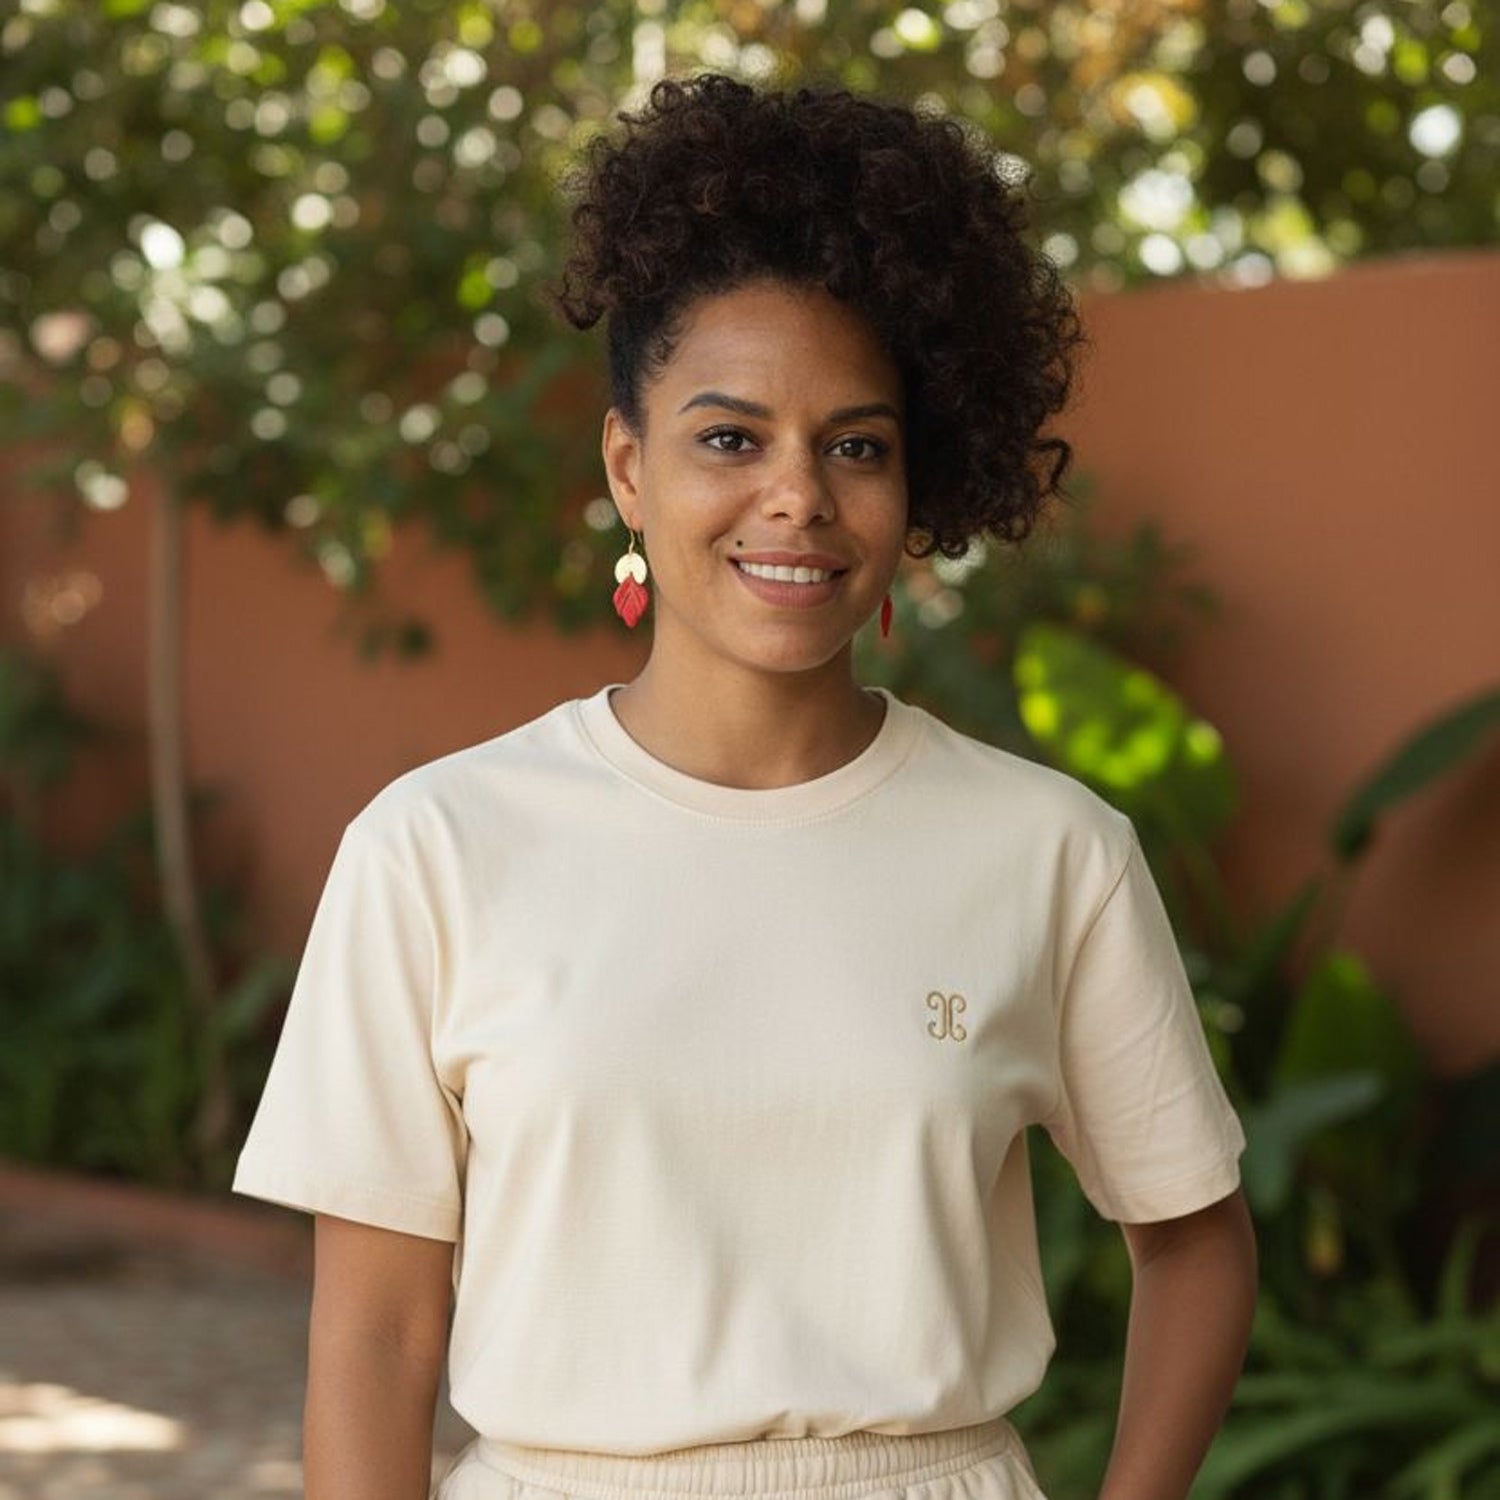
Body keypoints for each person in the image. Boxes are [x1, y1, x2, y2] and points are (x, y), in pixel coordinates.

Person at [231, 70, 1257, 1500]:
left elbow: (1197, 1241)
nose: (799, 498)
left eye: (857, 446)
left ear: (918, 485)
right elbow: (376, 1338)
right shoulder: (437, 848)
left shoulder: (1049, 853)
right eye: (730, 438)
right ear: (628, 469)